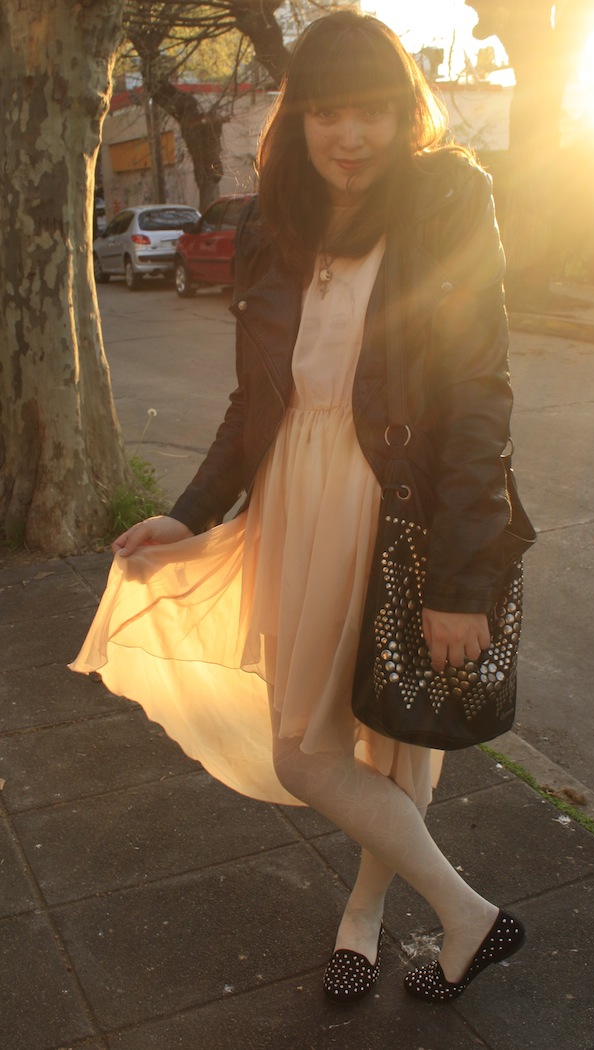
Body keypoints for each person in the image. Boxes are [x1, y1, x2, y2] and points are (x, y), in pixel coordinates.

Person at [71, 10, 533, 1004]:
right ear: (299, 118)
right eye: (328, 113)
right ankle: (451, 918)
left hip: (394, 502)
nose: (350, 136)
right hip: (294, 500)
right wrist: (191, 511)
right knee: (313, 745)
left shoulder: (447, 199)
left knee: (380, 739)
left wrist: (463, 580)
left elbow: (478, 396)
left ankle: (402, 918)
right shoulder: (268, 223)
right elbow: (256, 404)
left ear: (404, 113)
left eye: (371, 111)